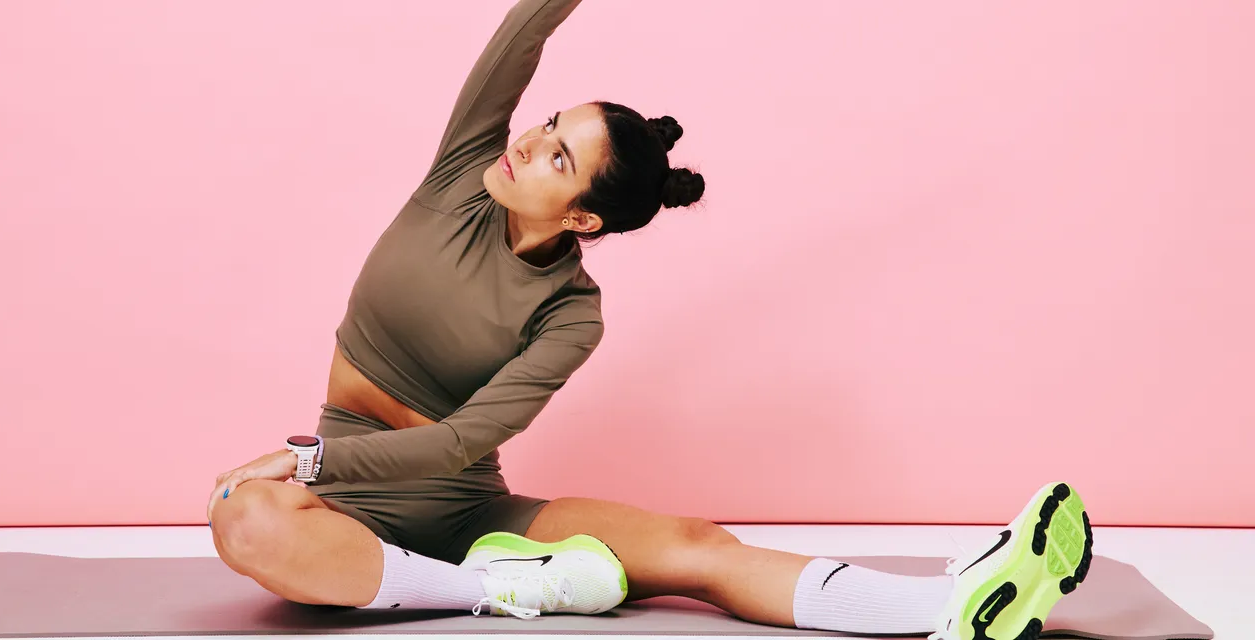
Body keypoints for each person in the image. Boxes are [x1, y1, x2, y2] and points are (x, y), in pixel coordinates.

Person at [204, 1, 1093, 638]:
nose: (527, 144)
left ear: (584, 218)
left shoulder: (571, 314)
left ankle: (946, 605)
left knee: (697, 546)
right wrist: (320, 471)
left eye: (557, 156)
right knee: (248, 519)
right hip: (343, 508)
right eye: (547, 126)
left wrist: (310, 456)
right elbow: (525, 28)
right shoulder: (459, 179)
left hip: (465, 510)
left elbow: (461, 442)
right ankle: (496, 590)